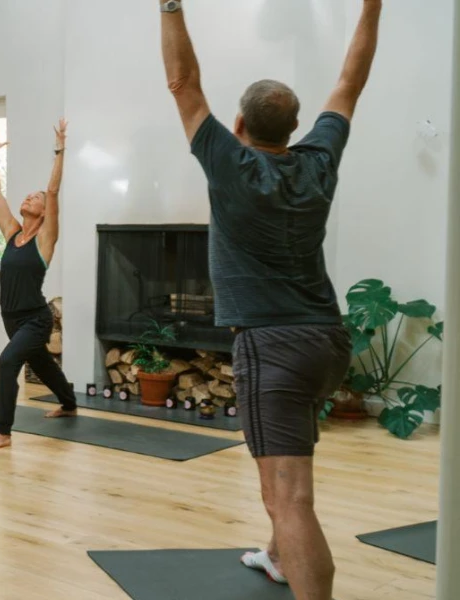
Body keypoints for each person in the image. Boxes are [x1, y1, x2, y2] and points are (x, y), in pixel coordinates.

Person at [159, 1, 380, 598]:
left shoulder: (229, 164)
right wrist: (372, 7)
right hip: (326, 342)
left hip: (272, 346)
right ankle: (279, 557)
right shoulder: (318, 160)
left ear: (238, 123)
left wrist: (170, 5)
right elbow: (350, 82)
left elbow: (182, 83)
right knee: (290, 476)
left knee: (288, 497)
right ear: (296, 127)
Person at [0, 119, 79, 451]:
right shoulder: (12, 233)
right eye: (28, 195)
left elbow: (53, 191)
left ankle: (3, 432)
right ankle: (69, 403)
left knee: (8, 362)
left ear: (44, 212)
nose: (29, 197)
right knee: (43, 363)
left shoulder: (45, 239)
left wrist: (60, 150)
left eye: (35, 198)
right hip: (10, 317)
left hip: (35, 318)